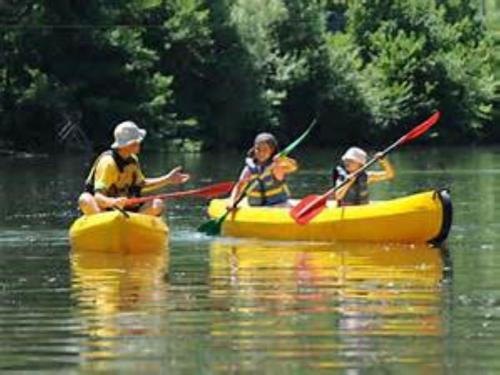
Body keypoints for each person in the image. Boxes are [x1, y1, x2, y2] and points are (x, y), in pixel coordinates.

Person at [78, 121, 190, 216]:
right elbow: (98, 197)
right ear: (130, 144)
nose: (140, 143)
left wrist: (167, 179)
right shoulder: (108, 163)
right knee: (85, 199)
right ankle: (103, 226)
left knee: (157, 204)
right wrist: (113, 202)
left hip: (129, 211)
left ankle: (132, 225)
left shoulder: (132, 160)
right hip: (104, 211)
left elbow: (141, 185)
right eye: (138, 141)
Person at [227, 133, 297, 207]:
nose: (261, 152)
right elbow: (239, 186)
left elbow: (293, 167)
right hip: (256, 207)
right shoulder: (249, 169)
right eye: (258, 149)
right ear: (254, 149)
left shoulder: (276, 166)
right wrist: (232, 201)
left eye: (265, 149)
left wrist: (283, 159)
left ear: (272, 150)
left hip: (278, 205)